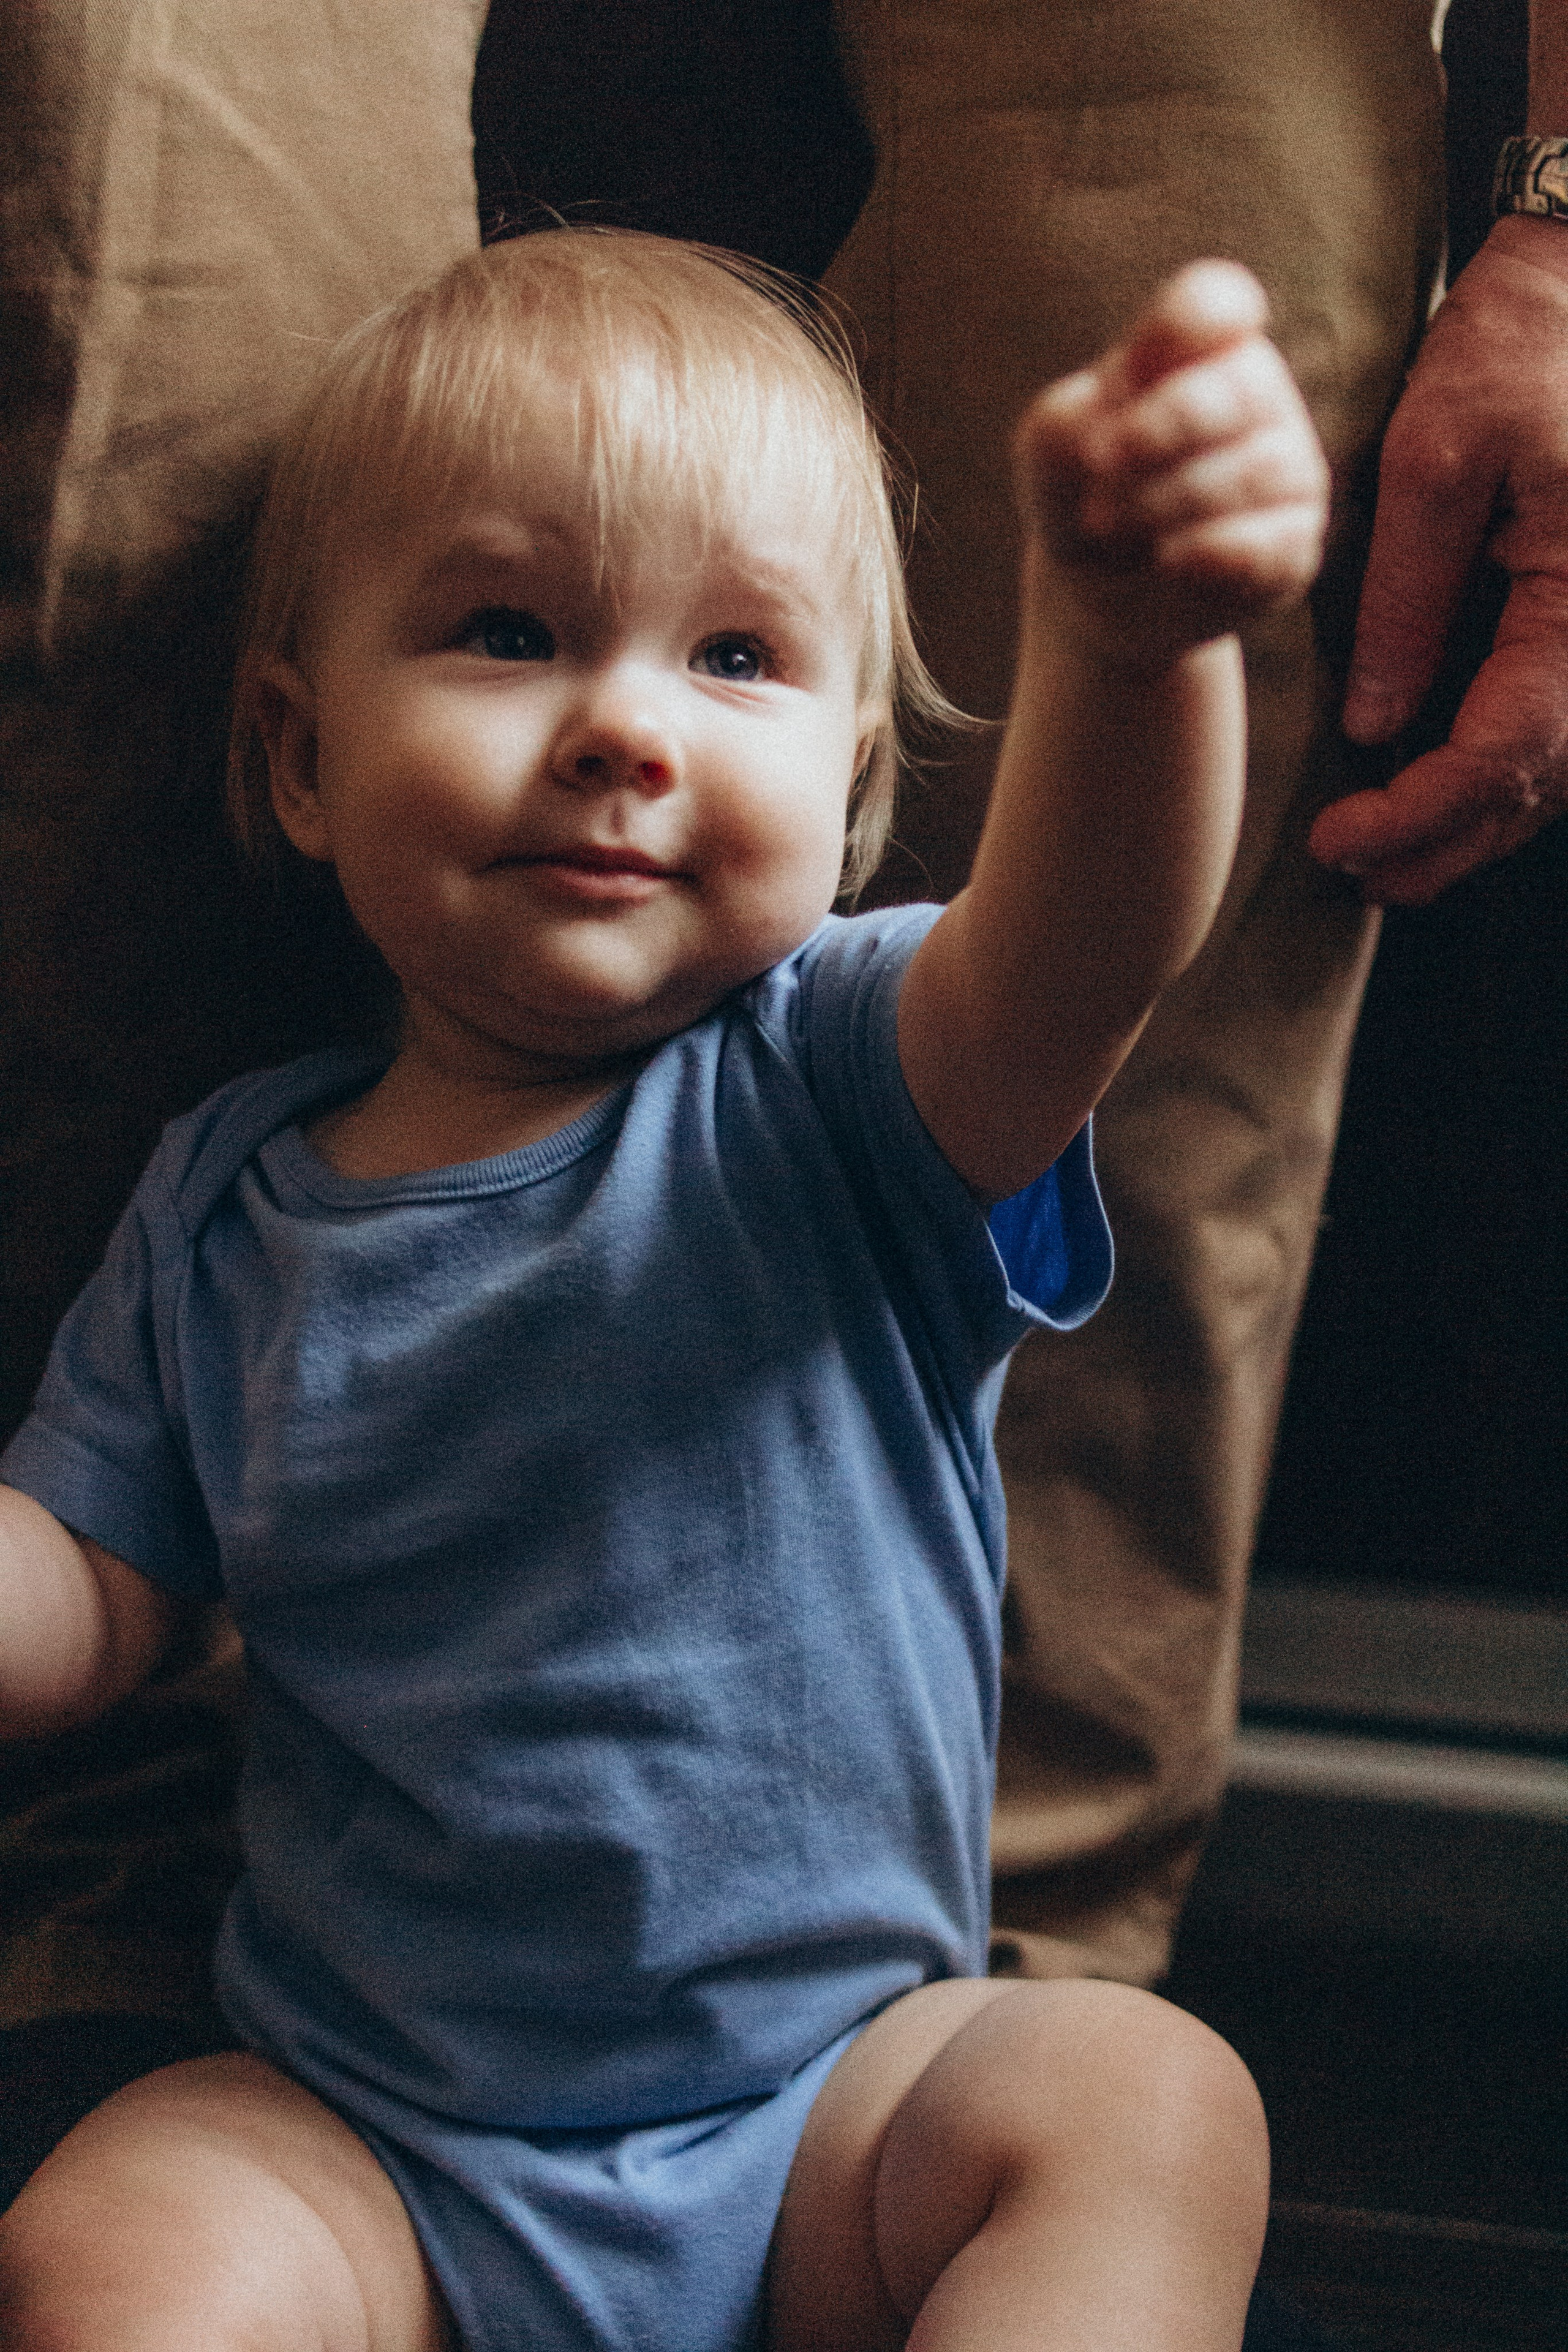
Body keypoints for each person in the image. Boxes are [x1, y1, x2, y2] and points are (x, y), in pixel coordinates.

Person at [0, 227, 1324, 2350]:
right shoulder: (228, 1202)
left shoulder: (835, 1086)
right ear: (303, 759)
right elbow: (89, 1589)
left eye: (734, 661)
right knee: (116, 2244)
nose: (624, 725)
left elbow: (1092, 939)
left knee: (1139, 2102)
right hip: (372, 2138)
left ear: (856, 794)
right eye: (510, 631)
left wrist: (1134, 648)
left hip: (828, 2120)